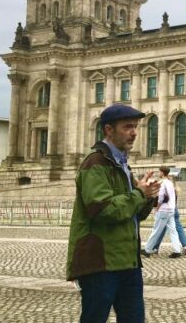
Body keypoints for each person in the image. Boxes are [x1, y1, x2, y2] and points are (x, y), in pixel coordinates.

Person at [66, 103, 159, 323]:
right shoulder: (95, 162)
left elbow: (131, 214)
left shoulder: (122, 164)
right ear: (109, 130)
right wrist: (138, 194)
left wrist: (147, 197)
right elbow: (102, 209)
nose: (134, 132)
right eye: (128, 127)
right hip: (100, 262)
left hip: (127, 261)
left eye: (135, 126)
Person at [141, 166, 182, 258]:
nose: (158, 173)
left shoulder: (163, 183)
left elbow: (161, 197)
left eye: (159, 172)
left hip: (164, 209)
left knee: (156, 229)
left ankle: (148, 249)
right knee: (173, 230)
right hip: (171, 209)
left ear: (162, 173)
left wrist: (157, 207)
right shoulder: (170, 183)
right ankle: (177, 250)